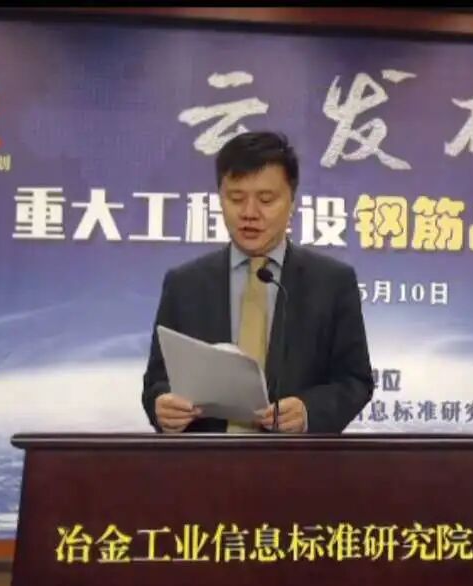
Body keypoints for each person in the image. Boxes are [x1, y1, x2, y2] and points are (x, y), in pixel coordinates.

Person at [141, 131, 374, 434]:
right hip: (206, 459)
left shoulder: (332, 283)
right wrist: (162, 405)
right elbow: (156, 383)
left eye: (266, 199)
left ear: (292, 201)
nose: (249, 213)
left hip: (295, 459)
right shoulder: (185, 284)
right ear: (220, 198)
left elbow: (355, 381)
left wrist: (309, 411)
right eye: (236, 199)